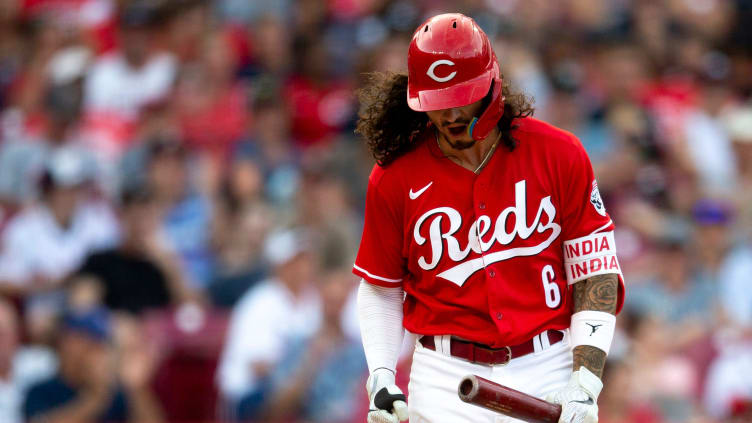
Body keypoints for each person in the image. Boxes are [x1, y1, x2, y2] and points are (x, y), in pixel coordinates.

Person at [353, 14, 625, 423]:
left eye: (462, 96)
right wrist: (382, 374)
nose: (451, 114)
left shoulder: (559, 153)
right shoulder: (394, 177)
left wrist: (586, 380)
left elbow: (594, 271)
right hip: (445, 377)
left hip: (547, 364)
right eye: (438, 102)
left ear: (492, 85)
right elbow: (381, 287)